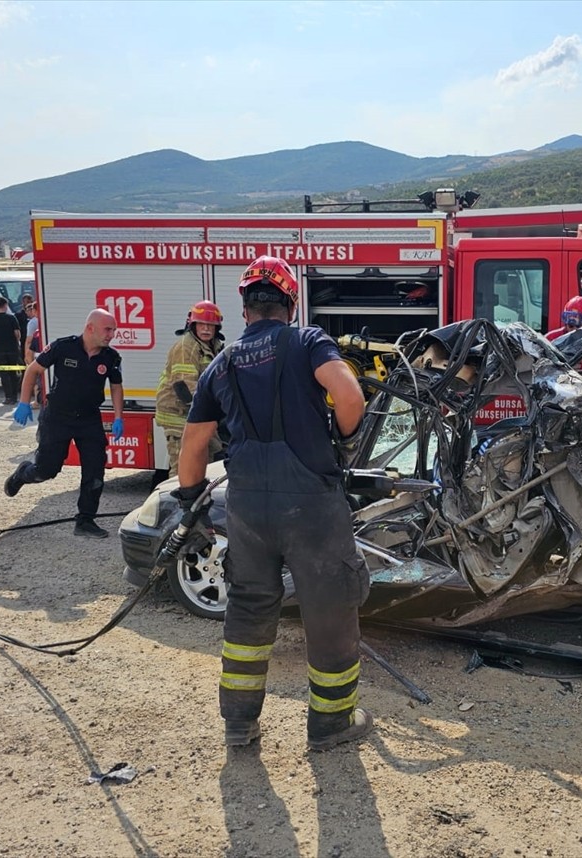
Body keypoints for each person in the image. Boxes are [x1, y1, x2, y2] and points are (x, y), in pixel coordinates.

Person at [176, 256, 370, 751]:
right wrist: (345, 443)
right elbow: (349, 397)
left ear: (245, 310)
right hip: (310, 506)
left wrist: (190, 504)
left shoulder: (221, 362)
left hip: (246, 507)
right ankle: (331, 724)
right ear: (291, 305)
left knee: (248, 609)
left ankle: (239, 724)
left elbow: (193, 445)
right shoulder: (308, 341)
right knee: (328, 609)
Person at [3, 309, 125, 538]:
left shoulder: (111, 357)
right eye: (108, 329)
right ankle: (22, 474)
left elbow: (116, 387)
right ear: (90, 327)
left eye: (114, 330)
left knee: (95, 469)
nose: (112, 335)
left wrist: (119, 417)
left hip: (89, 418)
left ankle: (85, 520)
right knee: (47, 470)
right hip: (58, 417)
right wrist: (24, 402)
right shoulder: (63, 347)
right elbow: (33, 370)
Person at [155, 300, 225, 478]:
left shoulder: (213, 346)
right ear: (192, 325)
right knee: (184, 466)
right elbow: (184, 387)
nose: (206, 329)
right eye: (201, 324)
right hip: (179, 415)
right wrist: (210, 411)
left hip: (197, 413)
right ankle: (177, 495)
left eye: (210, 325)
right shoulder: (186, 346)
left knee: (212, 456)